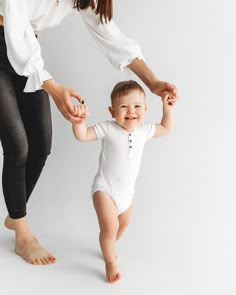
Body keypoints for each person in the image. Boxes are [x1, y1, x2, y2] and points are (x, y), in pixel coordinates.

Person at [0, 0, 177, 265]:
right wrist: (53, 88)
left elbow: (111, 35)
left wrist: (152, 82)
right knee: (18, 146)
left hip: (28, 48)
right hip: (14, 42)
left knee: (41, 145)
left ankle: (16, 214)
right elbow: (14, 29)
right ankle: (22, 232)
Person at [72, 80, 177, 283]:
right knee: (109, 227)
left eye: (137, 106)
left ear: (145, 110)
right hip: (105, 190)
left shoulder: (144, 130)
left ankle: (108, 245)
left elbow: (166, 128)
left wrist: (168, 108)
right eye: (123, 107)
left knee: (123, 224)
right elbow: (83, 135)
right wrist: (78, 122)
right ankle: (110, 261)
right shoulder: (108, 128)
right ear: (112, 111)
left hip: (127, 194)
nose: (131, 112)